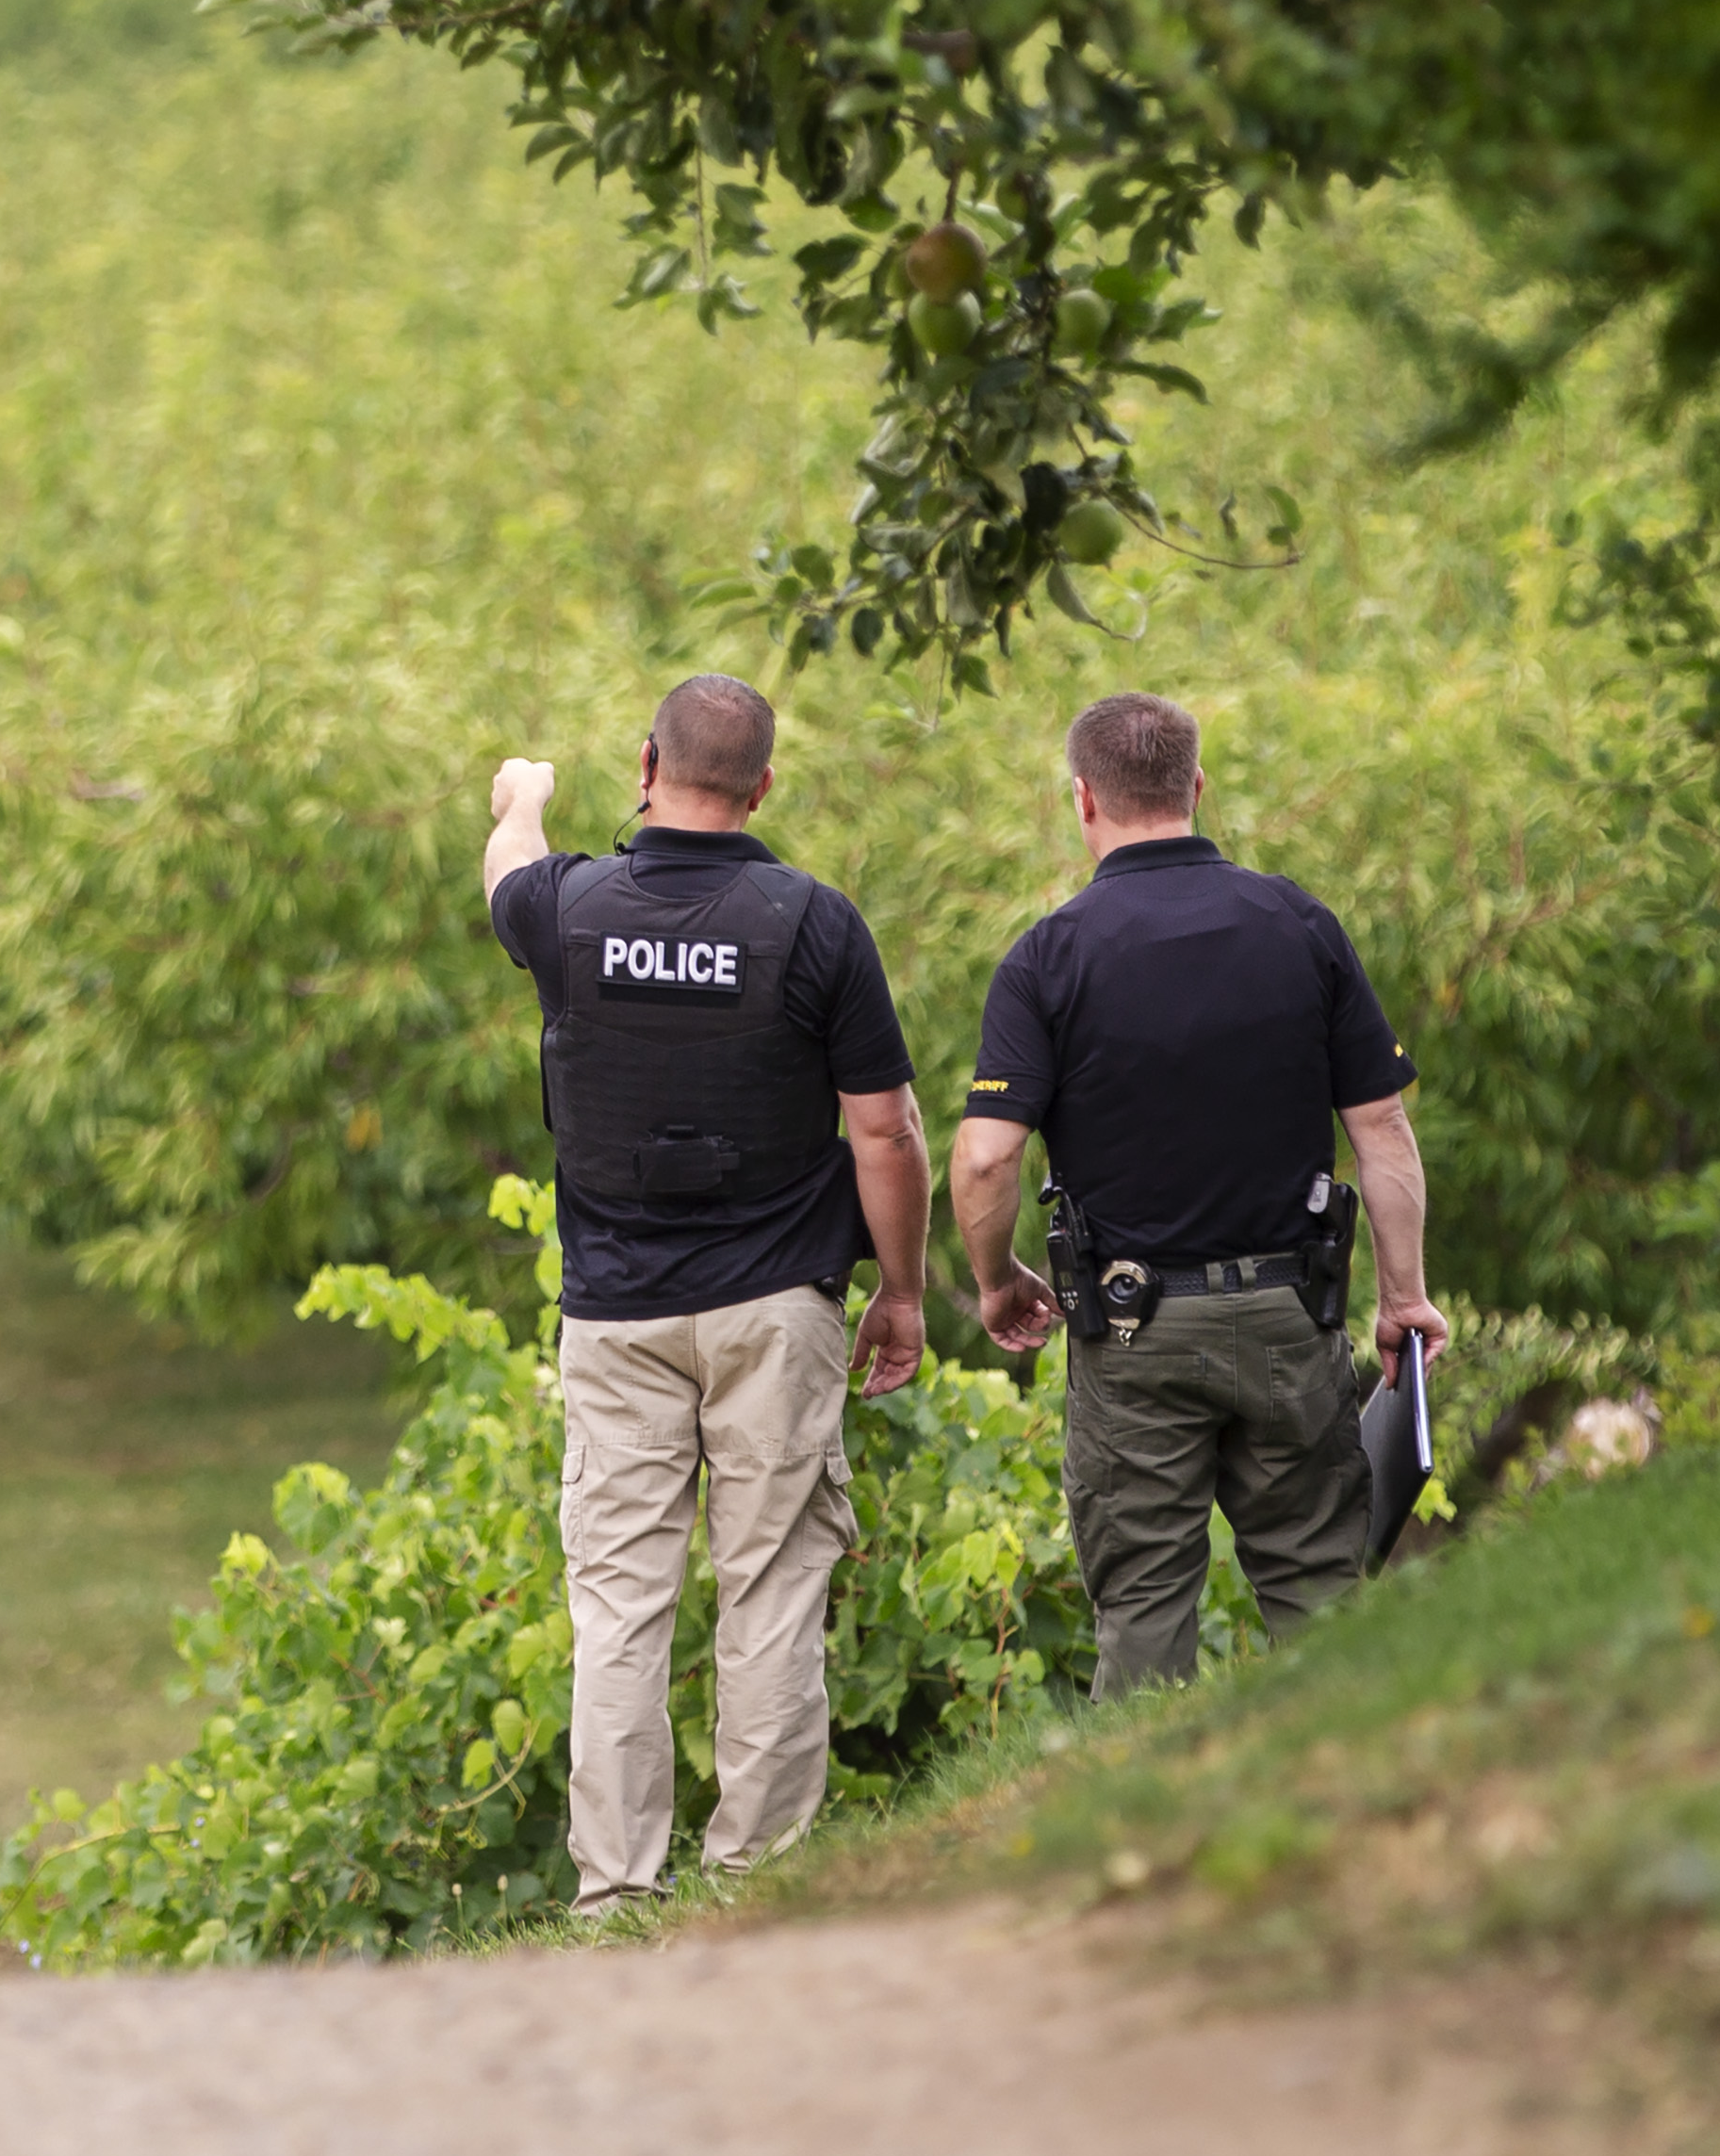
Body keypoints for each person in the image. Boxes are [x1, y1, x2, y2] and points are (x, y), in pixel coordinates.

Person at [482, 674, 932, 1909]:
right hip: (775, 1309)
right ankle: (756, 1885)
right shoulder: (814, 923)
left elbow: (505, 867)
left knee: (620, 1605)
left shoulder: (569, 907)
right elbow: (885, 1130)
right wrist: (903, 1289)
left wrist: (524, 793)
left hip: (616, 1314)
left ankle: (616, 1892)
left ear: (646, 763)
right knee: (773, 1586)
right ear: (765, 786)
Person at [947, 691, 1448, 1697]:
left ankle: (1143, 1831)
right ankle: (1365, 1799)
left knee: (1142, 1613)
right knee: (1323, 1591)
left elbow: (986, 1159)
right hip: (1288, 1317)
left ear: (1081, 798)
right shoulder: (1301, 925)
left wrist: (997, 1280)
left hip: (1134, 1331)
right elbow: (1382, 1131)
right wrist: (1403, 1298)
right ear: (1197, 787)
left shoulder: (1048, 955)